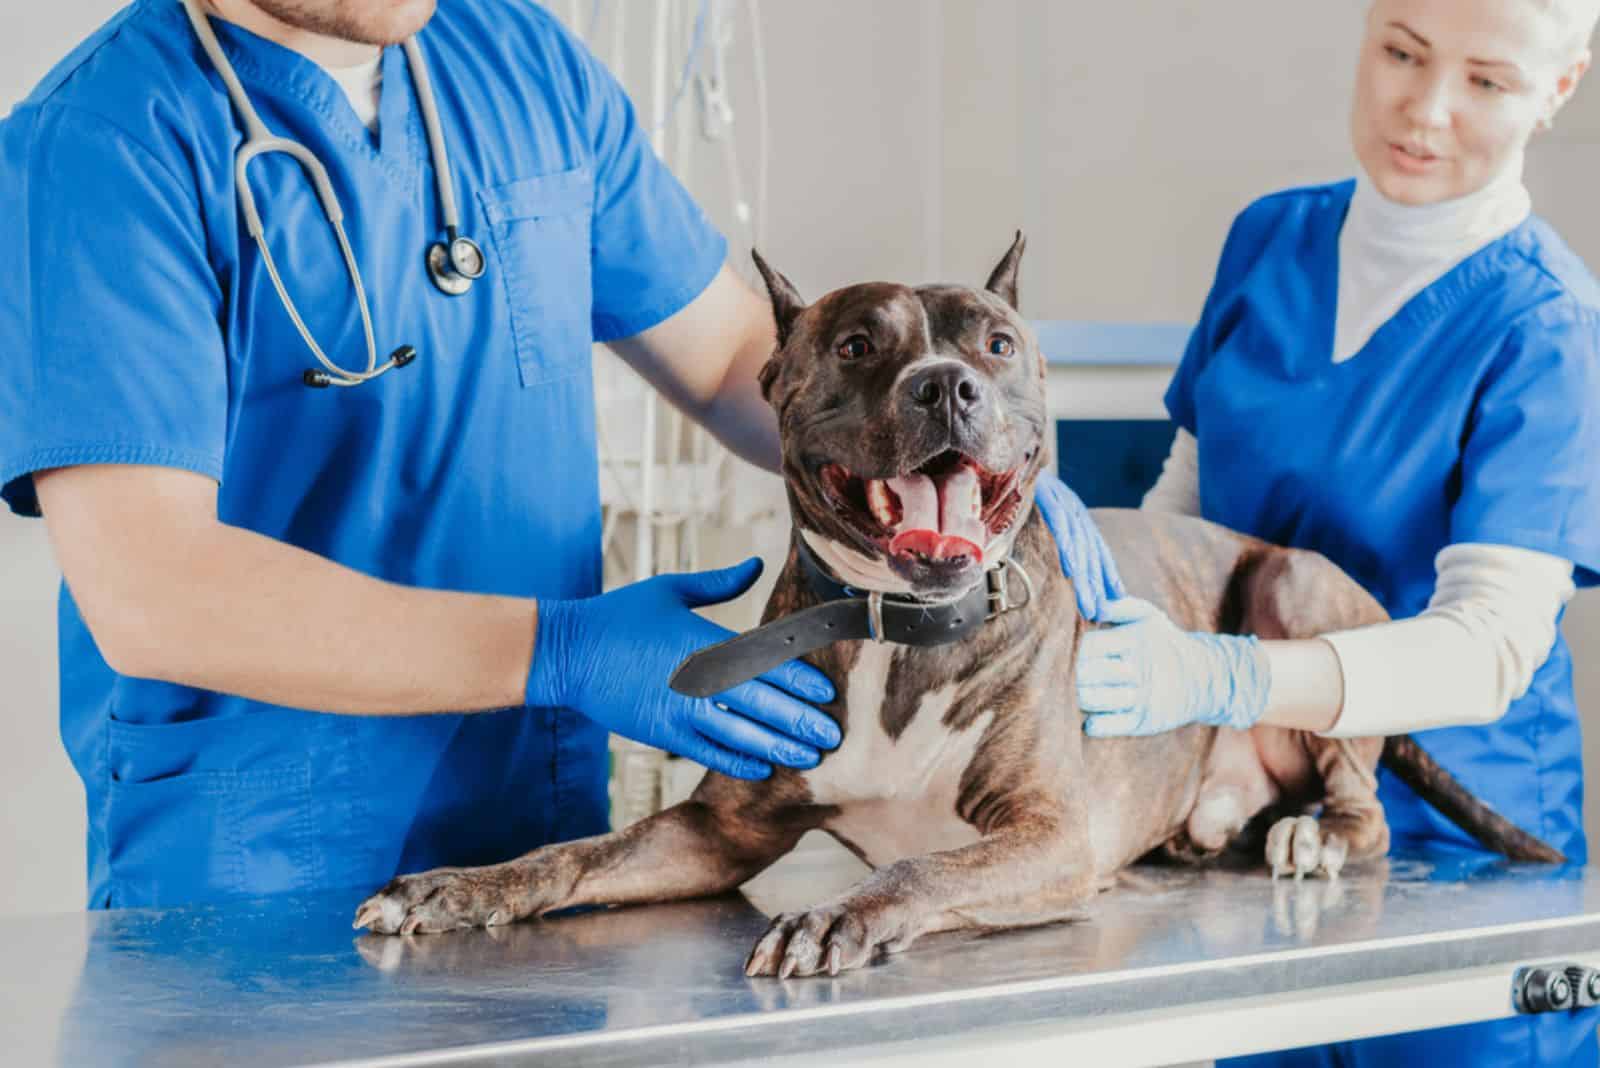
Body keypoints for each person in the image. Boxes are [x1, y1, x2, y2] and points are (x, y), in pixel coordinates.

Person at [0, 0, 1114, 911]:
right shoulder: (101, 144)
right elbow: (156, 594)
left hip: (538, 840)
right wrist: (562, 651)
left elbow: (740, 355)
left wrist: (962, 479)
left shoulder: (516, 59)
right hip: (254, 867)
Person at [1075, 0, 1600, 1064]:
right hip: (1247, 837)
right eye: (1399, 53)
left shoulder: (1546, 329)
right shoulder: (1269, 239)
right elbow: (1190, 493)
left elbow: (1490, 649)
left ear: (1560, 87)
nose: (1424, 108)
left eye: (1486, 81)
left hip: (1452, 861)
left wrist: (1221, 677)